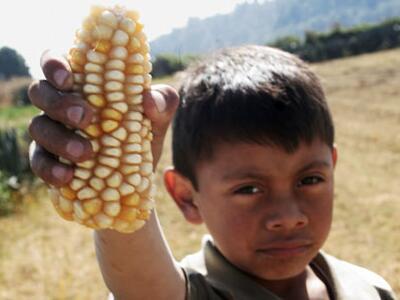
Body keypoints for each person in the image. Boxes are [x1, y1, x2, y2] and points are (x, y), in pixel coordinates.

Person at [28, 46, 397, 300]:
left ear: (332, 167)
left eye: (310, 180)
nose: (288, 217)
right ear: (187, 197)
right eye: (250, 189)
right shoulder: (195, 292)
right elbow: (139, 284)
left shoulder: (370, 289)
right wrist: (121, 171)